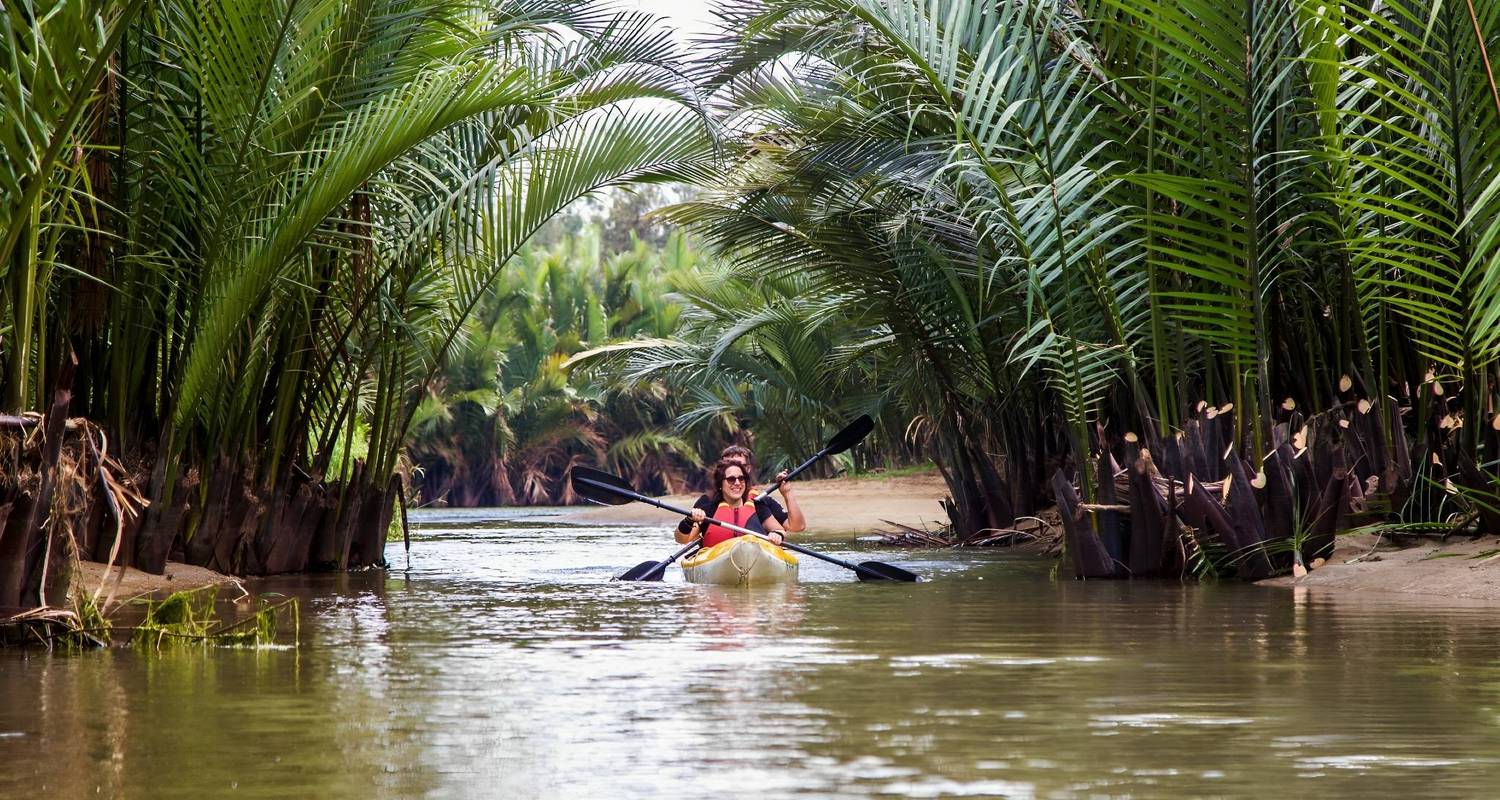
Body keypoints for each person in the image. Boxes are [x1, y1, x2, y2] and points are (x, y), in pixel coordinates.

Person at [675, 444, 806, 541]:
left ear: (747, 470)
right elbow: (683, 539)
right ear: (720, 474)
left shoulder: (759, 502)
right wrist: (690, 520)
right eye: (728, 467)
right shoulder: (707, 503)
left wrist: (787, 493)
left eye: (740, 471)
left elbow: (794, 527)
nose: (736, 481)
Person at [676, 459, 787, 548]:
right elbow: (681, 539)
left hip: (755, 558)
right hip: (717, 560)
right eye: (731, 479)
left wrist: (778, 534)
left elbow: (779, 529)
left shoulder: (757, 505)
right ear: (720, 484)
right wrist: (689, 519)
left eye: (741, 478)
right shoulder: (709, 508)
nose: (737, 483)